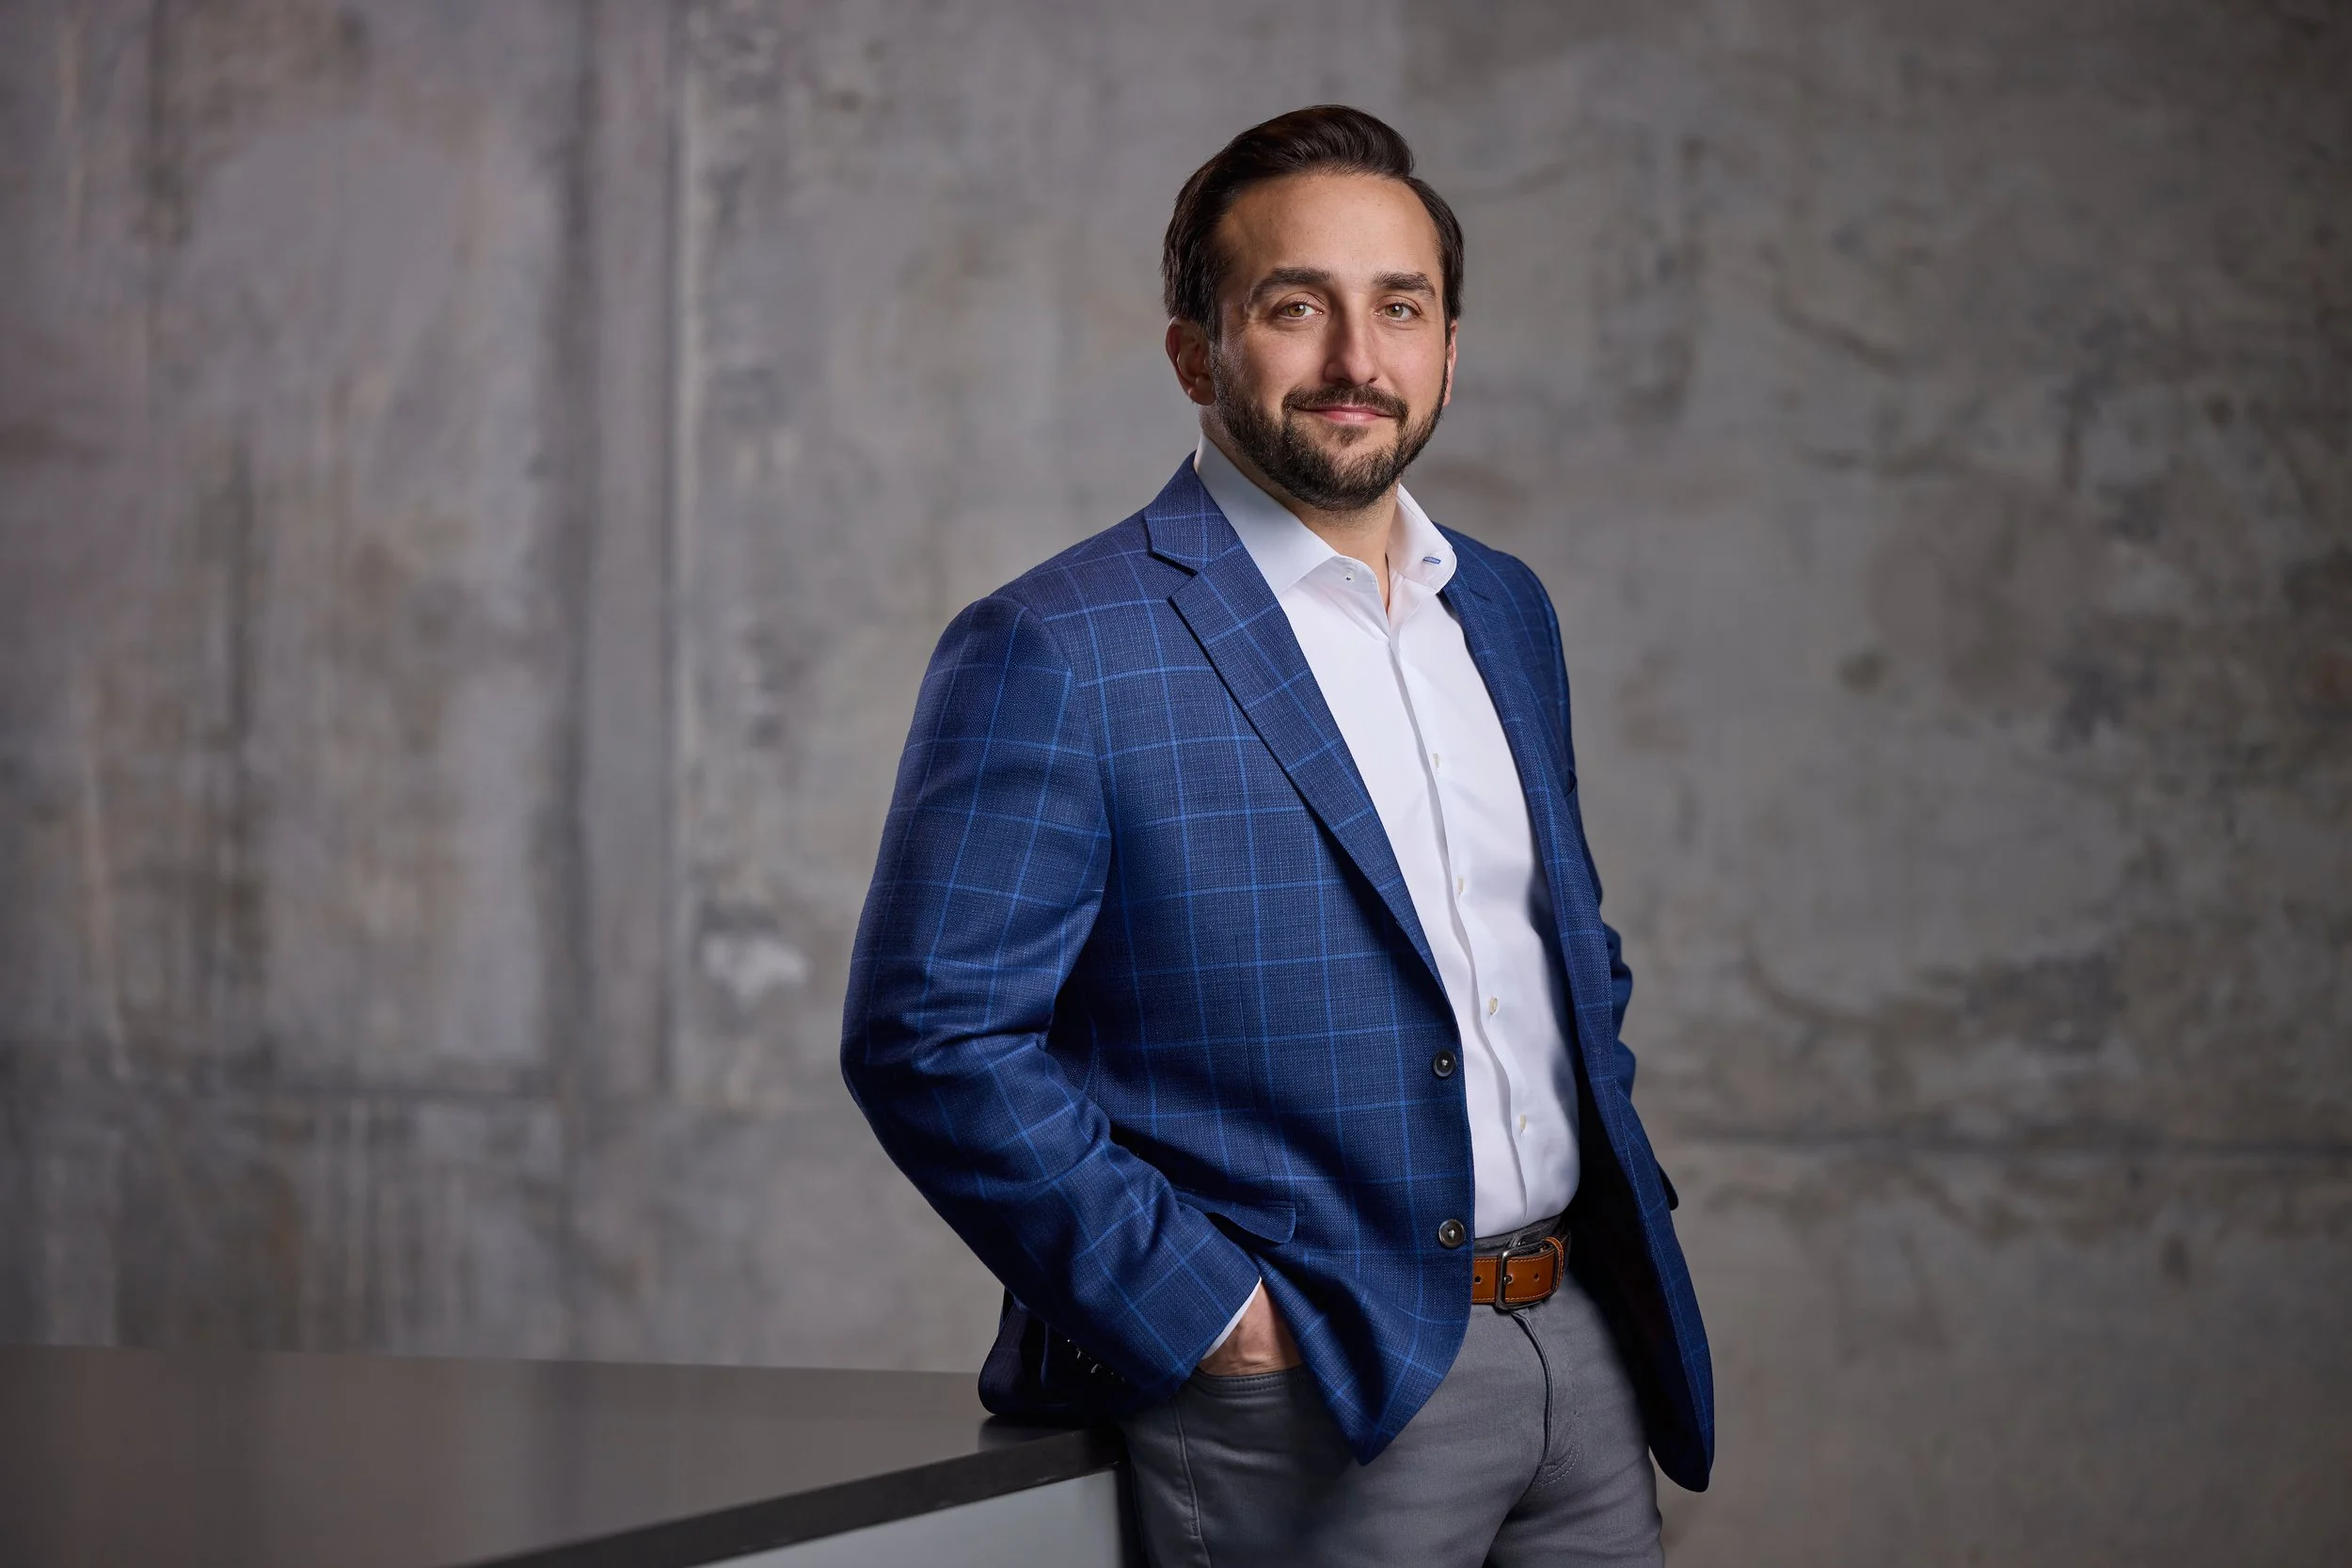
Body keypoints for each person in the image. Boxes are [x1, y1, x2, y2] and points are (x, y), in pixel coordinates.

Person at [841, 103, 1711, 1566]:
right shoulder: (1061, 646)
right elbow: (932, 1036)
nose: (1358, 362)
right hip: (1303, 1391)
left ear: (1448, 345)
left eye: (1401, 309)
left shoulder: (1500, 609)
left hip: (1581, 1343)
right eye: (1296, 307)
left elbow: (1554, 942)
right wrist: (1208, 1314)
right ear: (1197, 351)